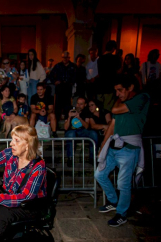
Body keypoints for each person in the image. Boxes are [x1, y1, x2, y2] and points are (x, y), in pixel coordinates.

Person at [95, 74, 150, 227]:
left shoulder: (142, 97)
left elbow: (115, 109)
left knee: (123, 183)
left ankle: (122, 213)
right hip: (114, 147)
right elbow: (112, 126)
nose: (117, 94)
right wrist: (102, 147)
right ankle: (114, 201)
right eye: (116, 91)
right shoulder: (120, 104)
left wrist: (118, 103)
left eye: (120, 90)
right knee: (99, 174)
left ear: (131, 88)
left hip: (129, 149)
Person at [64, 96, 98, 166]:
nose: (78, 105)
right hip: (72, 131)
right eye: (77, 103)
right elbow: (65, 127)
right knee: (71, 134)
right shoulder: (70, 111)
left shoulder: (86, 112)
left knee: (93, 133)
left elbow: (87, 126)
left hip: (82, 131)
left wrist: (79, 118)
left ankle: (92, 157)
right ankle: (70, 158)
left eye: (81, 104)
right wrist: (69, 117)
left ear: (85, 105)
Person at [50, 51, 77, 121]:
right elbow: (51, 75)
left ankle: (67, 121)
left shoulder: (73, 66)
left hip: (68, 88)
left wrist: (71, 82)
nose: (65, 59)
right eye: (63, 57)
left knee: (67, 106)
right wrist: (54, 81)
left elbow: (76, 76)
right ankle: (56, 122)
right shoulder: (58, 66)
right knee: (58, 106)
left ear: (69, 57)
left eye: (66, 57)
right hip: (59, 88)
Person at [97, 40, 122, 111]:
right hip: (110, 86)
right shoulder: (115, 58)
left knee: (99, 107)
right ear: (113, 48)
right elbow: (119, 71)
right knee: (107, 108)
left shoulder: (99, 59)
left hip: (100, 86)